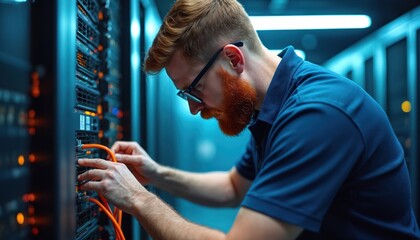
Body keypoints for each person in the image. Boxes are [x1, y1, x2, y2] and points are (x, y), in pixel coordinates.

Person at [77, 0, 420, 239]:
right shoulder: (270, 109)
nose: (194, 109)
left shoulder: (317, 115)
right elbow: (232, 187)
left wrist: (138, 199)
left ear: (233, 58)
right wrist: (154, 173)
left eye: (193, 90)